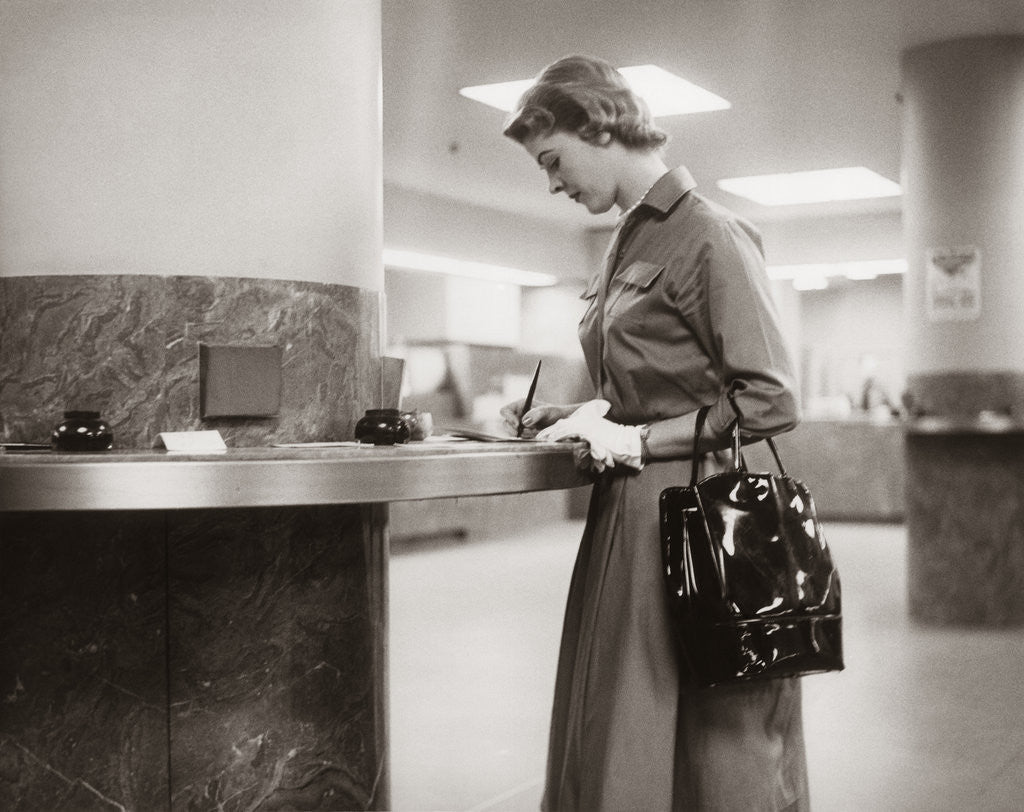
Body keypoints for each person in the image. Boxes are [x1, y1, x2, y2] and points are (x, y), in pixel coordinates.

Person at [499, 55, 808, 811]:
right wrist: (579, 415)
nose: (553, 184)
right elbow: (640, 386)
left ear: (596, 124)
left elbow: (768, 399)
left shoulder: (710, 236)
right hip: (629, 513)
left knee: (717, 725)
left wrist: (642, 441)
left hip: (702, 515)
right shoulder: (625, 244)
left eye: (552, 160)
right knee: (622, 716)